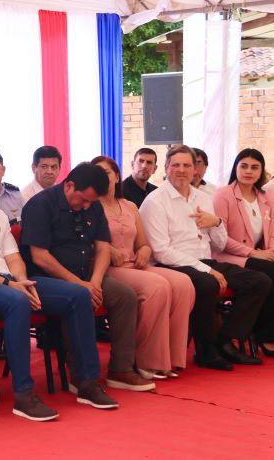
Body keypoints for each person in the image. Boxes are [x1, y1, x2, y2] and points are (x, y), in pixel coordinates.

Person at [0, 155, 116, 417]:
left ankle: (87, 382)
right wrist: (10, 284)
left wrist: (21, 281)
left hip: (9, 281)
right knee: (18, 301)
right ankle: (24, 394)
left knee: (78, 294)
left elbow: (13, 257)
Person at [21, 163, 154, 392]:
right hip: (44, 279)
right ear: (69, 186)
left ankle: (121, 369)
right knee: (79, 295)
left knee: (125, 296)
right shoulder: (41, 204)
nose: (86, 206)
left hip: (86, 275)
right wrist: (81, 284)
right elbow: (40, 257)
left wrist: (95, 281)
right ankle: (82, 377)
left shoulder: (93, 205)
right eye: (83, 200)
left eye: (90, 202)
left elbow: (102, 247)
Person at [139, 145, 270, 370]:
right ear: (166, 168)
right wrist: (207, 270)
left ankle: (225, 340)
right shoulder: (155, 201)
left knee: (259, 281)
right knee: (208, 284)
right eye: (176, 165)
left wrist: (216, 223)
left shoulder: (203, 197)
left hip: (205, 260)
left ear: (195, 169)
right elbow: (161, 251)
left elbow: (219, 243)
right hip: (172, 265)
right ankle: (206, 350)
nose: (182, 170)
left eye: (187, 165)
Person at [92, 155, 195, 378]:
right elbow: (85, 243)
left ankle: (171, 358)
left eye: (106, 173)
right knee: (157, 286)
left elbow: (144, 243)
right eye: (97, 174)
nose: (102, 178)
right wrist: (108, 250)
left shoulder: (129, 206)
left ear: (116, 176)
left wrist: (145, 251)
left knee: (183, 283)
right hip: (109, 268)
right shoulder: (89, 207)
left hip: (135, 264)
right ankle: (146, 360)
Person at [212, 149, 274, 357]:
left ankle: (267, 332)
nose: (249, 171)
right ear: (236, 168)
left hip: (256, 255)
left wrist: (269, 251)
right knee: (269, 272)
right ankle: (266, 335)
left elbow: (271, 232)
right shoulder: (223, 195)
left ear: (261, 171)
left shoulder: (264, 197)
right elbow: (220, 239)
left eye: (254, 167)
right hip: (225, 256)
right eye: (244, 166)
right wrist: (254, 253)